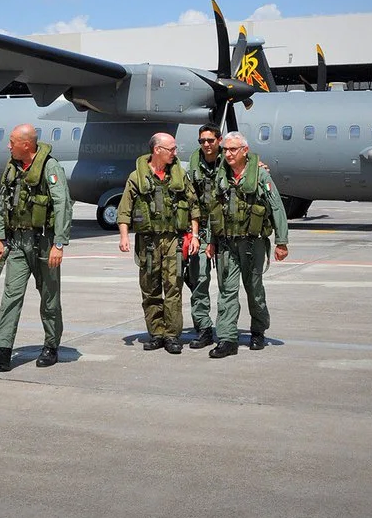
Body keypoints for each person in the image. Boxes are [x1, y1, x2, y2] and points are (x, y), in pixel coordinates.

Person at [0, 124, 71, 371]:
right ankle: (2, 350)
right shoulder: (12, 168)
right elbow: (3, 204)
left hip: (44, 243)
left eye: (12, 142)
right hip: (18, 244)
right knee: (11, 295)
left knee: (49, 298)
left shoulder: (50, 168)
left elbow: (63, 205)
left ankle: (51, 345)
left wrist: (59, 244)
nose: (8, 146)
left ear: (26, 145)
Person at [205, 131, 289, 358]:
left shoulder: (260, 176)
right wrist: (210, 241)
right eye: (225, 150)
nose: (228, 154)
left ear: (245, 151)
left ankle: (258, 331)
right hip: (226, 244)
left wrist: (281, 242)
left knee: (254, 290)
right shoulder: (220, 176)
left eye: (233, 149)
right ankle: (227, 339)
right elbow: (214, 211)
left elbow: (277, 207)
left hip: (253, 244)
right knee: (227, 292)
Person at [117, 132, 200, 354]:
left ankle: (172, 335)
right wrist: (124, 236)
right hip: (148, 242)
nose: (175, 153)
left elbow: (194, 207)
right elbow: (124, 209)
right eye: (171, 149)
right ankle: (156, 333)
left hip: (173, 239)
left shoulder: (180, 175)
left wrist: (195, 235)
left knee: (173, 286)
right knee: (150, 287)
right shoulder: (136, 177)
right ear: (157, 150)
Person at [184, 123, 222, 349]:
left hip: (225, 229)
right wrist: (193, 233)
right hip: (202, 228)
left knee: (228, 285)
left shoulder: (229, 160)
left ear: (219, 140)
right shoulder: (193, 164)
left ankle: (227, 331)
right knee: (199, 280)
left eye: (210, 140)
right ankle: (204, 328)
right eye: (202, 141)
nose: (206, 145)